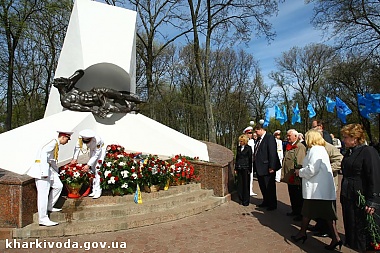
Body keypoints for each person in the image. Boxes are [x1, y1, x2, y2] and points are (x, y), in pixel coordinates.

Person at [291, 130, 341, 251]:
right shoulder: (320, 149)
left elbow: (312, 169)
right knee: (326, 215)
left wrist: (300, 172)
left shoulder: (315, 150)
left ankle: (303, 233)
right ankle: (335, 238)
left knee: (307, 212)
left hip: (316, 190)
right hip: (321, 191)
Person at [340, 124, 380, 252]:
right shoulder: (350, 151)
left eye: (346, 137)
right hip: (349, 196)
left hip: (361, 196)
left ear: (355, 138)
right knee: (352, 226)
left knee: (364, 229)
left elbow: (374, 175)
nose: (344, 140)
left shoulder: (368, 151)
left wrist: (373, 201)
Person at [27, 130, 73, 226]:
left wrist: (56, 171)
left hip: (49, 169)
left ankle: (49, 206)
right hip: (42, 169)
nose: (67, 142)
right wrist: (44, 172)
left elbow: (52, 160)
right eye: (67, 139)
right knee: (43, 195)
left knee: (58, 186)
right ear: (63, 137)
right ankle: (43, 218)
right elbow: (43, 154)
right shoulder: (53, 142)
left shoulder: (55, 143)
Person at [253, 124, 281, 211]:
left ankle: (272, 204)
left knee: (269, 186)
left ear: (261, 129)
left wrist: (272, 166)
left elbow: (272, 153)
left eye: (256, 131)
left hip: (267, 167)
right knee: (262, 186)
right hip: (260, 167)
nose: (256, 133)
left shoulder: (269, 138)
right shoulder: (258, 139)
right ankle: (266, 201)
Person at [71, 129, 105, 199]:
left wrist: (88, 165)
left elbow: (96, 154)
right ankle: (93, 190)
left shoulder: (97, 140)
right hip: (92, 150)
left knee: (97, 169)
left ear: (91, 138)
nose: (86, 143)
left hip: (100, 151)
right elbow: (77, 148)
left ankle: (98, 190)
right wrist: (75, 158)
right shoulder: (80, 138)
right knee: (92, 170)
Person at [281, 129, 306, 221]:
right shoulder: (290, 145)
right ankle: (294, 210)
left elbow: (300, 160)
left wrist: (297, 171)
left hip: (295, 176)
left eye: (289, 136)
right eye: (287, 136)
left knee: (298, 195)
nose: (287, 138)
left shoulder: (299, 146)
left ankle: (300, 213)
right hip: (290, 175)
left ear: (295, 136)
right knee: (292, 194)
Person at [234, 134, 253, 206]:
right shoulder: (238, 148)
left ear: (245, 141)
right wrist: (236, 168)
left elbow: (250, 159)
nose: (240, 142)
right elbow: (237, 158)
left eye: (241, 141)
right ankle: (241, 199)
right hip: (239, 167)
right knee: (240, 184)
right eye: (240, 141)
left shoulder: (249, 148)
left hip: (246, 168)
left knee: (246, 184)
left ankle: (246, 200)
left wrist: (250, 169)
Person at [243, 126, 257, 196]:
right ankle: (247, 190)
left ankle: (250, 190)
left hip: (251, 160)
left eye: (251, 133)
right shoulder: (244, 141)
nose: (251, 134)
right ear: (246, 133)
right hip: (246, 161)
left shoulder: (252, 141)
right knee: (246, 176)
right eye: (249, 133)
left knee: (251, 176)